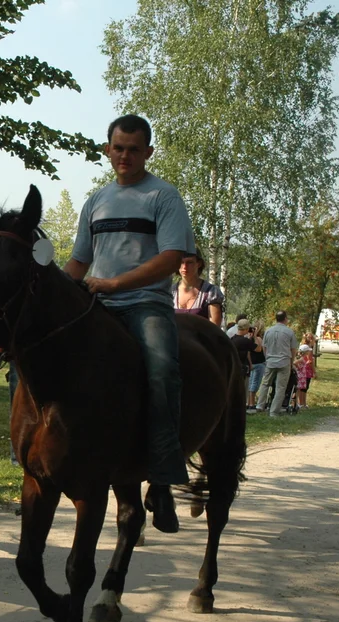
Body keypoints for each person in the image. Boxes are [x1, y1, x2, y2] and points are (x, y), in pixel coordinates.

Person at [63, 113, 195, 534]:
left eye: (134, 149)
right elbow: (79, 262)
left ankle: (162, 477)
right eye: (118, 148)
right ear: (108, 150)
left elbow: (172, 258)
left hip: (145, 306)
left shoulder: (164, 196)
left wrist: (116, 283)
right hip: (96, 305)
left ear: (148, 152)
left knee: (162, 371)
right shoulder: (95, 201)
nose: (125, 156)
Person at [253, 310, 298, 417]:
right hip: (284, 361)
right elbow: (293, 349)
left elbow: (264, 346)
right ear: (285, 319)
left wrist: (267, 357)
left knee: (265, 384)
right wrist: (291, 363)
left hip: (270, 361)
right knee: (280, 387)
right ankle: (273, 411)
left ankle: (260, 405)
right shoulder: (289, 332)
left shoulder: (269, 331)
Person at [172, 248, 224, 326]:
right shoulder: (170, 292)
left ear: (198, 264)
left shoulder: (211, 292)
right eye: (181, 262)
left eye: (189, 262)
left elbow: (214, 330)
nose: (184, 267)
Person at [247, 321, 267, 410]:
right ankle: (251, 403)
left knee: (251, 383)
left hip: (253, 364)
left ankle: (250, 402)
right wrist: (255, 336)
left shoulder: (249, 338)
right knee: (255, 384)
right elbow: (259, 349)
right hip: (258, 364)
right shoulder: (258, 339)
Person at [230, 317, 256, 385]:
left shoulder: (232, 339)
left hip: (233, 369)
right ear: (246, 328)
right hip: (242, 370)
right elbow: (258, 349)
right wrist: (255, 336)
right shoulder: (246, 341)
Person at [294, 344, 315, 409]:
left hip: (302, 375)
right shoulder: (302, 358)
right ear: (305, 352)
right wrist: (298, 367)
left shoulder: (301, 357)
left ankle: (296, 404)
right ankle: (295, 404)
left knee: (298, 389)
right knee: (298, 390)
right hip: (300, 376)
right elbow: (294, 363)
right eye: (308, 351)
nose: (309, 352)